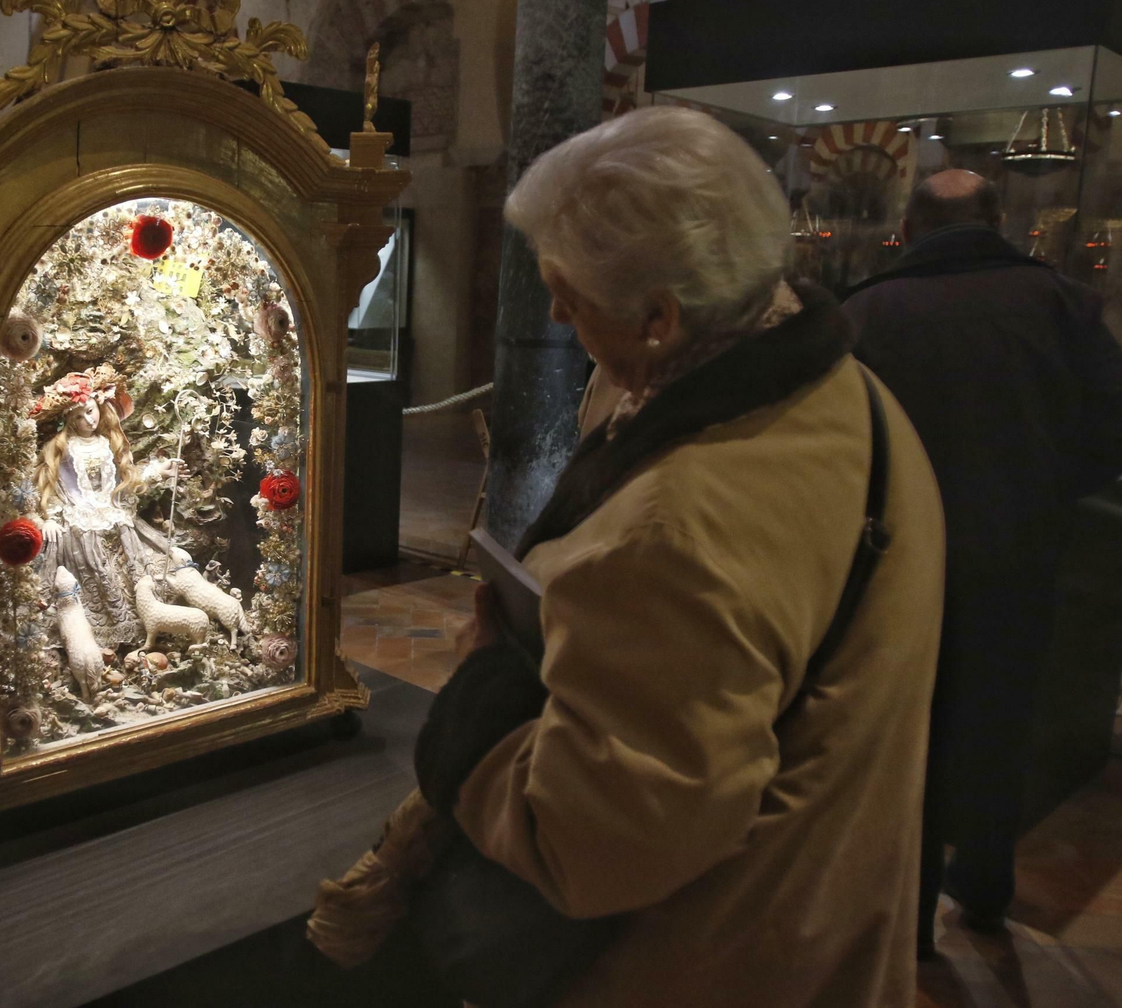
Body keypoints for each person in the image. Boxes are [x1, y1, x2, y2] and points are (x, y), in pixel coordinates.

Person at [369, 106, 945, 1008]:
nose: (554, 311)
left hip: (701, 960)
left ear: (657, 319)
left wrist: (484, 693)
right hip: (825, 917)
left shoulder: (676, 530)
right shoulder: (854, 397)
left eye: (567, 290)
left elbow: (593, 842)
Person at [843, 170, 1122, 953]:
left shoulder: (867, 311)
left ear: (909, 224)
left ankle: (913, 915)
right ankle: (988, 885)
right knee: (1001, 721)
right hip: (1019, 554)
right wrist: (1047, 497)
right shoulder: (1062, 303)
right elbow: (1110, 427)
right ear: (998, 220)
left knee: (908, 732)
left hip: (900, 561)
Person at [33, 364, 184, 648]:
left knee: (142, 573)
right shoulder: (59, 448)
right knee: (94, 579)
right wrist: (49, 517)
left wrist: (157, 472)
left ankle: (152, 629)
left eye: (89, 411)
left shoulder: (108, 443)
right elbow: (51, 486)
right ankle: (101, 641)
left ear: (99, 406)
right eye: (78, 417)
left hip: (116, 519)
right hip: (79, 526)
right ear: (68, 421)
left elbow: (125, 482)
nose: (87, 421)